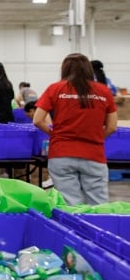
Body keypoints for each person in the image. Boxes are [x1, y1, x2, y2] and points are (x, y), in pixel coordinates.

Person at [34, 53, 117, 205]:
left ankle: (72, 228)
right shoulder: (104, 91)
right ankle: (98, 228)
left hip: (61, 152)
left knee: (70, 203)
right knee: (98, 204)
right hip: (94, 154)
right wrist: (96, 137)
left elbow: (37, 119)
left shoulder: (55, 89)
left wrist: (55, 135)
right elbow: (112, 126)